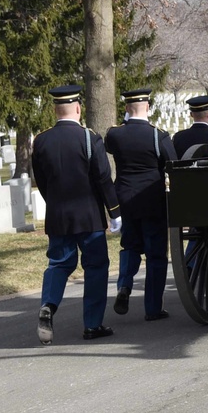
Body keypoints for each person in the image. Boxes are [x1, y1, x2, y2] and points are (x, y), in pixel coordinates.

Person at [32, 85, 122, 344]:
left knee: (59, 264)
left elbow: (42, 181)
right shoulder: (89, 138)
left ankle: (48, 305)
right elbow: (104, 178)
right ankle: (92, 325)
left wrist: (57, 205)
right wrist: (114, 211)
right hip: (89, 217)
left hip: (58, 216)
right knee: (95, 267)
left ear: (55, 110)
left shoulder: (41, 140)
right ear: (79, 108)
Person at [105, 88, 178, 321]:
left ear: (127, 108)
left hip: (125, 198)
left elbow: (111, 147)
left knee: (130, 246)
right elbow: (173, 164)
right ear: (148, 107)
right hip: (152, 201)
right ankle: (153, 308)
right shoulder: (158, 136)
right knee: (156, 255)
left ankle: (124, 286)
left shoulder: (115, 135)